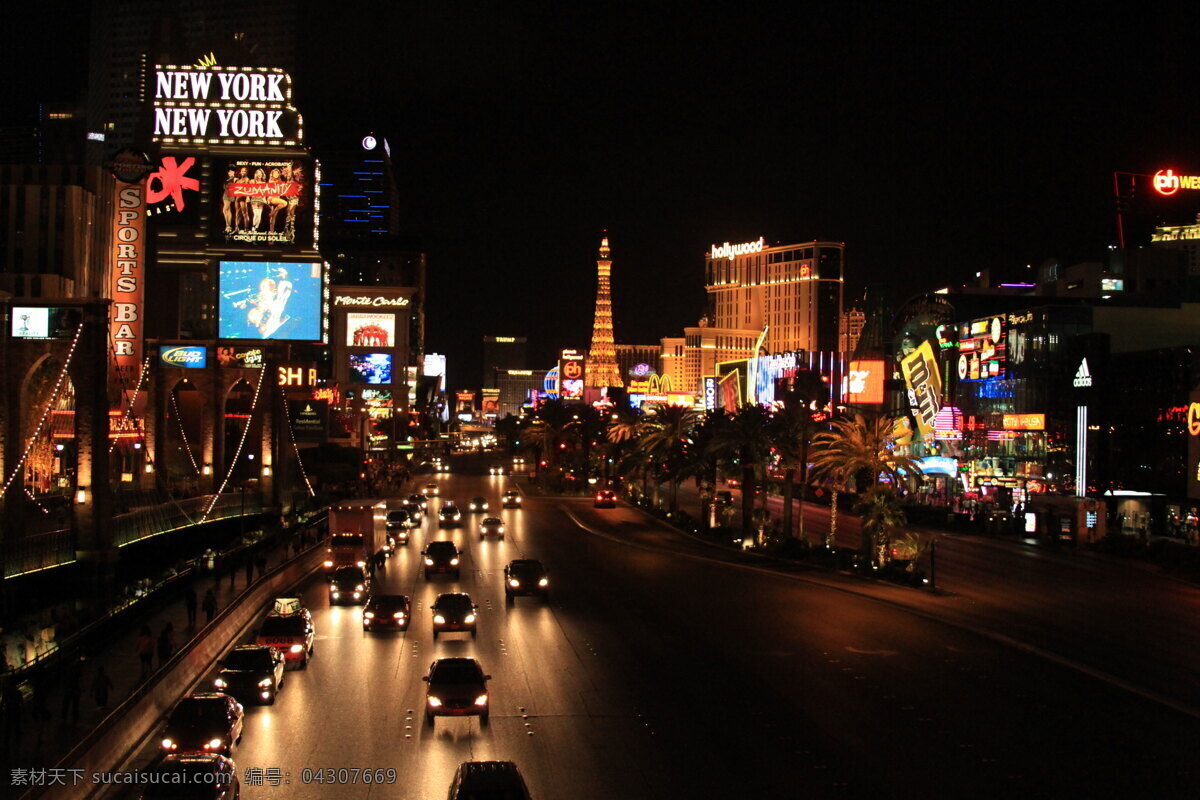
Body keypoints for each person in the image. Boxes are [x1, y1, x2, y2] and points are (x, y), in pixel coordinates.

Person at [61, 658, 82, 724]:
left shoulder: (66, 671)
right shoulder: (76, 671)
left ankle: (65, 718)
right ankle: (74, 719)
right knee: (75, 705)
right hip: (75, 690)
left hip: (69, 690)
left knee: (66, 705)